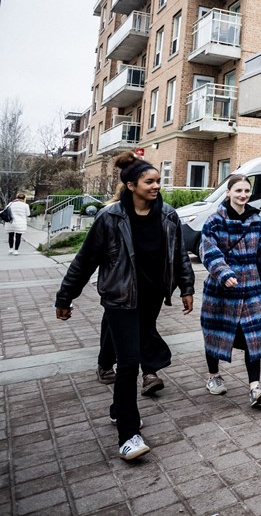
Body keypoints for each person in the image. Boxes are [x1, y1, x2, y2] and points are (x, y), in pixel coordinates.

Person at [55, 151, 195, 461]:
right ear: (131, 185)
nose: (157, 186)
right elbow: (85, 260)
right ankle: (129, 434)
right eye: (150, 181)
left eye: (159, 181)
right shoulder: (111, 218)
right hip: (119, 300)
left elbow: (180, 255)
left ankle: (119, 409)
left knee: (137, 354)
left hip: (151, 299)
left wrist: (187, 286)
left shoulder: (168, 215)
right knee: (129, 363)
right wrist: (65, 296)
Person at [201, 174, 261, 408]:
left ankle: (255, 388)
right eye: (238, 191)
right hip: (221, 291)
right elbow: (208, 251)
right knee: (216, 334)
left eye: (246, 191)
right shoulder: (214, 221)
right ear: (228, 193)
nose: (243, 195)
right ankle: (213, 376)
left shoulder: (257, 222)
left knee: (253, 339)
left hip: (251, 289)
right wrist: (224, 273)